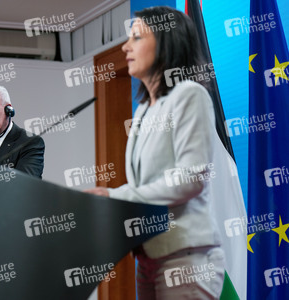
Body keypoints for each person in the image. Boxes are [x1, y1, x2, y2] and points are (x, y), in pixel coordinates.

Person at [85, 6, 225, 300]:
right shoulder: (144, 111)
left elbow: (190, 178)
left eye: (136, 37)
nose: (125, 46)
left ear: (165, 40)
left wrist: (115, 196)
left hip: (186, 255)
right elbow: (142, 187)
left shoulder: (189, 94)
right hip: (149, 256)